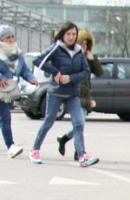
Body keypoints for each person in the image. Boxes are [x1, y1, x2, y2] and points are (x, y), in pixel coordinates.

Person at [30, 22, 99, 167]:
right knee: (48, 121)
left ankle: (82, 155)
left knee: (79, 123)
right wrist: (55, 72)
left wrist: (71, 78)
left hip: (73, 93)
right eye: (68, 34)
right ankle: (35, 150)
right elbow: (38, 61)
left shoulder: (79, 51)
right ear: (63, 35)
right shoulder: (56, 48)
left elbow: (86, 72)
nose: (71, 37)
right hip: (56, 92)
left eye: (74, 34)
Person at [0, 25, 36, 158]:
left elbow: (23, 70)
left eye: (12, 37)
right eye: (7, 37)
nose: (10, 40)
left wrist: (30, 78)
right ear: (0, 39)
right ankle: (10, 146)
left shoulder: (17, 53)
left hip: (10, 90)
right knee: (5, 117)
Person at [57, 29, 103, 160]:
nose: (84, 46)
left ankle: (64, 139)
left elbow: (99, 72)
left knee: (79, 124)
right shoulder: (72, 56)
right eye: (81, 43)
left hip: (85, 95)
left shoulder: (88, 57)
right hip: (75, 94)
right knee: (79, 124)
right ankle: (79, 152)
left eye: (86, 43)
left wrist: (92, 59)